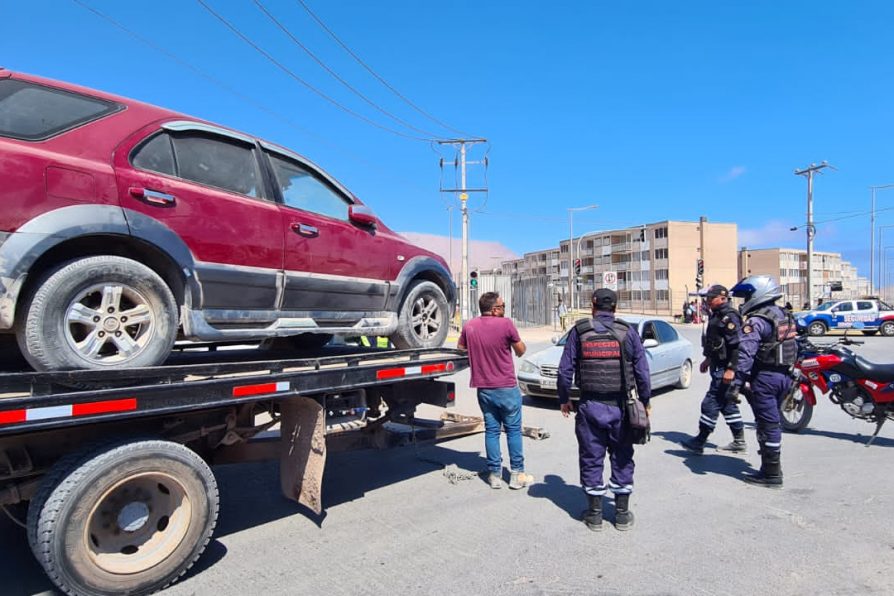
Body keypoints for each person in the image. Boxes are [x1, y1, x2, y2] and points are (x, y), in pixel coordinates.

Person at [557, 288, 651, 531]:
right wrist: (646, 401)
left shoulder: (579, 331)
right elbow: (642, 371)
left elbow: (565, 370)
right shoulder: (628, 332)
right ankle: (621, 515)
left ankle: (595, 515)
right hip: (622, 407)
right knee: (622, 457)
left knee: (591, 458)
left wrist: (564, 398)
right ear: (615, 307)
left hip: (589, 407)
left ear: (593, 305)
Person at [457, 292, 532, 490]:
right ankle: (517, 475)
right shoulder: (506, 324)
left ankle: (495, 475)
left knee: (492, 431)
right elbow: (521, 350)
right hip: (506, 387)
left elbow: (461, 348)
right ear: (495, 309)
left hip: (484, 389)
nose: (504, 308)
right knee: (513, 430)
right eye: (503, 305)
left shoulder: (470, 326)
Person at [730, 275, 798, 488]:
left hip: (765, 379)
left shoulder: (757, 320)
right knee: (769, 422)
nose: (744, 301)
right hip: (785, 376)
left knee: (768, 424)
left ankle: (772, 474)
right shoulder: (783, 314)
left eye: (747, 295)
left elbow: (745, 354)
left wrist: (737, 382)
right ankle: (768, 468)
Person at [682, 285, 746, 455]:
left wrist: (731, 369)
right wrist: (708, 359)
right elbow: (716, 342)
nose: (708, 301)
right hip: (717, 364)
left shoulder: (729, 317)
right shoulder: (717, 315)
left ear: (722, 298)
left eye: (711, 298)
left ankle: (700, 440)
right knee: (725, 404)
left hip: (725, 368)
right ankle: (739, 440)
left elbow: (736, 346)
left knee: (710, 403)